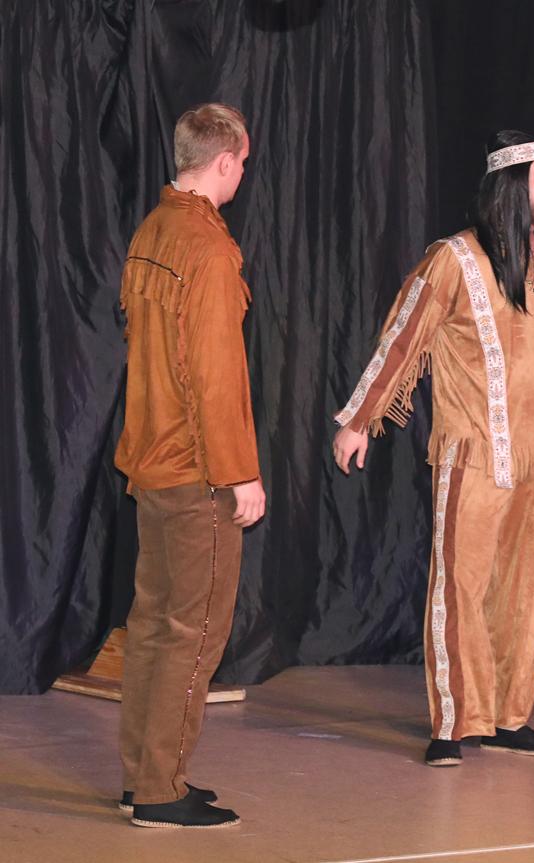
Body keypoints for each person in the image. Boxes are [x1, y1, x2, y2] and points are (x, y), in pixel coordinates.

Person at [333, 130, 534, 767]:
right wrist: (360, 419)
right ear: (514, 186)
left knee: (525, 590)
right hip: (475, 451)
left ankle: (506, 717)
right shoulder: (456, 259)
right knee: (462, 587)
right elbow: (404, 335)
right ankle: (453, 721)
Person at [114, 103, 263, 828]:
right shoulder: (206, 248)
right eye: (243, 163)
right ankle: (159, 791)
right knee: (195, 631)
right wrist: (239, 474)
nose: (244, 174)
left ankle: (144, 774)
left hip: (151, 461)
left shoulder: (153, 229)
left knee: (153, 625)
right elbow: (215, 375)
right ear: (225, 160)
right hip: (194, 468)